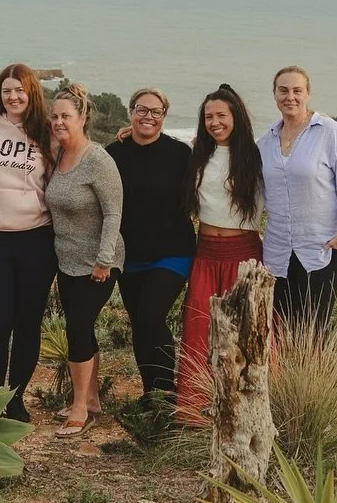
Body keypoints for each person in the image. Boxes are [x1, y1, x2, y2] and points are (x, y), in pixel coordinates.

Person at [0, 64, 56, 423]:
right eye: (7, 90)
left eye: (20, 90)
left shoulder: (47, 132)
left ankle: (17, 398)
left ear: (31, 93)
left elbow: (81, 151)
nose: (13, 96)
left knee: (27, 323)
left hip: (36, 240)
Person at [175, 84, 263, 421]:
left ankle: (248, 411)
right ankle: (196, 410)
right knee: (200, 330)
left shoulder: (257, 154)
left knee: (248, 332)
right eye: (208, 116)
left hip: (245, 254)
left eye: (221, 115)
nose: (214, 122)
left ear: (235, 117)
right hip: (206, 252)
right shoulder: (197, 153)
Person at [105, 88, 195, 409]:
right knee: (139, 325)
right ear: (130, 112)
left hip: (173, 252)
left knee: (150, 316)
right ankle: (150, 395)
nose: (148, 117)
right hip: (130, 256)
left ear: (164, 117)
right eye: (142, 110)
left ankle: (166, 392)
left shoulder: (180, 154)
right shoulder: (112, 153)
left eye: (156, 112)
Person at [44, 83, 124, 438]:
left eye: (66, 116)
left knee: (77, 328)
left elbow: (113, 213)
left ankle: (79, 408)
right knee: (82, 328)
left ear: (83, 117)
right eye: (55, 115)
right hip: (66, 260)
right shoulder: (58, 155)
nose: (60, 121)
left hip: (99, 262)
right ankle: (91, 399)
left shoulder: (98, 160)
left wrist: (104, 259)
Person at [258, 66, 337, 331]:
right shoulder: (265, 142)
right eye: (283, 90)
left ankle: (313, 375)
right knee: (281, 331)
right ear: (275, 95)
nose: (289, 97)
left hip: (321, 249)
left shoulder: (331, 132)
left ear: (308, 93)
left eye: (296, 90)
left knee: (314, 330)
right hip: (277, 253)